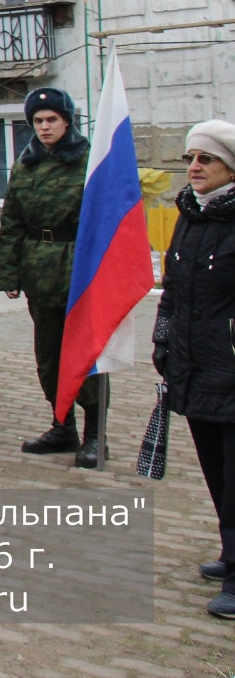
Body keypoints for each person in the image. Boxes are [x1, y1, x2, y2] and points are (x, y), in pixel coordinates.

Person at [154, 120, 235, 618]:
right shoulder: (190, 214)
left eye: (206, 158)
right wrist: (164, 345)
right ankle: (230, 552)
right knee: (215, 469)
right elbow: (173, 291)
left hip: (229, 365)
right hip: (194, 365)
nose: (195, 167)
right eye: (190, 158)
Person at [0, 87, 100, 464]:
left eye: (51, 120)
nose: (44, 127)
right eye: (38, 121)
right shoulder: (25, 163)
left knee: (84, 357)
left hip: (79, 268)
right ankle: (63, 427)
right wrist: (9, 274)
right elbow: (13, 223)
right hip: (39, 269)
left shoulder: (90, 158)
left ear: (67, 121)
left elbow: (107, 218)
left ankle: (95, 434)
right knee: (49, 359)